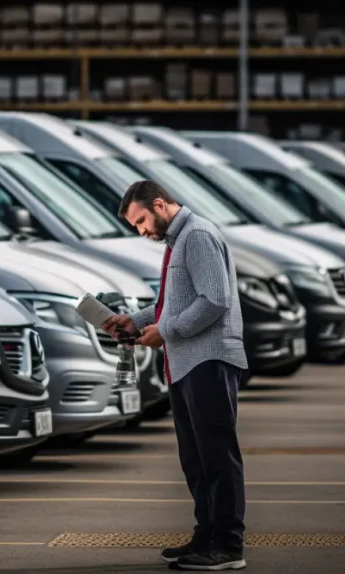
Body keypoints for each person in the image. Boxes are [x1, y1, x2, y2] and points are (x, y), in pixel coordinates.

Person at [102, 180, 249, 571]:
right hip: (186, 364)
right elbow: (173, 304)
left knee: (217, 456)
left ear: (161, 204)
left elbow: (215, 300)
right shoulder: (177, 241)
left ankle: (228, 547)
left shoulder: (197, 235)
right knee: (196, 459)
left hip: (209, 361)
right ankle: (206, 536)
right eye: (135, 225)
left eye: (141, 221)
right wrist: (133, 321)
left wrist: (165, 332)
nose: (141, 230)